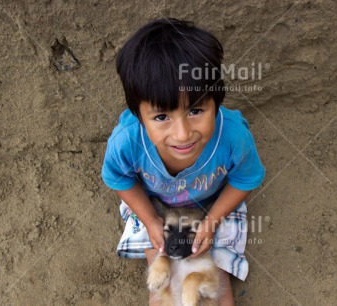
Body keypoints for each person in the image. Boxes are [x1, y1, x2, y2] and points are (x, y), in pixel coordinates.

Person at [101, 18, 265, 305]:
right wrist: (150, 219)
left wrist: (213, 221)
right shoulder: (127, 141)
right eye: (162, 117)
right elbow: (118, 179)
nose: (182, 133)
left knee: (218, 287)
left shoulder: (234, 136)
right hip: (153, 204)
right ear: (139, 115)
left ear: (216, 101)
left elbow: (245, 179)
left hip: (214, 203)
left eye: (196, 110)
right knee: (162, 284)